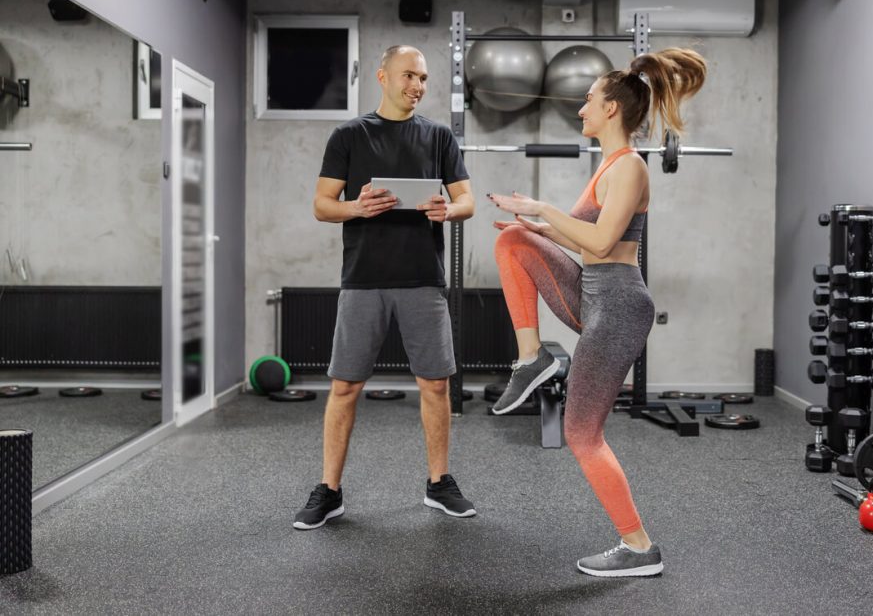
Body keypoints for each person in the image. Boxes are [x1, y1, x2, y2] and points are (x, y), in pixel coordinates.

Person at [487, 48, 707, 576]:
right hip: (594, 291)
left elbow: (605, 239)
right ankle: (531, 360)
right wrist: (538, 227)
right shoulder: (606, 166)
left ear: (611, 109)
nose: (581, 108)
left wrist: (544, 209)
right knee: (515, 241)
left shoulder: (629, 166)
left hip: (619, 304)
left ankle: (638, 548)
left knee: (583, 433)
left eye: (588, 100)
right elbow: (586, 242)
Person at [294, 45, 476, 530]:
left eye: (423, 78)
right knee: (346, 386)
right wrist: (357, 207)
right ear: (382, 76)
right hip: (364, 280)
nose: (417, 86)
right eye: (409, 76)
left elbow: (467, 201)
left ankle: (439, 484)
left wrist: (447, 210)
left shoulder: (438, 136)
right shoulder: (349, 136)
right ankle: (329, 491)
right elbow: (321, 204)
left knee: (435, 385)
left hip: (422, 279)